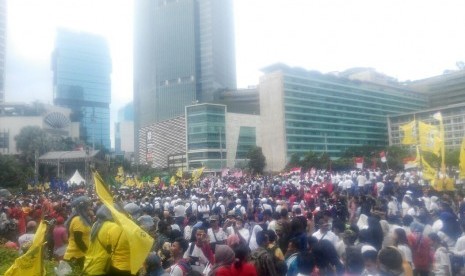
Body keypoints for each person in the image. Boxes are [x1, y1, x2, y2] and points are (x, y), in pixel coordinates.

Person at [64, 196, 93, 268]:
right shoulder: (78, 220)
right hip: (76, 256)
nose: (90, 208)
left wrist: (92, 216)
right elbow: (78, 240)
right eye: (88, 206)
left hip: (80, 254)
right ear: (83, 207)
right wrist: (88, 252)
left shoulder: (83, 219)